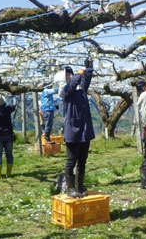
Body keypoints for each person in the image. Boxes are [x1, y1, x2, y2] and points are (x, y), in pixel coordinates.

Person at [60, 58, 95, 198]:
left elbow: (85, 82)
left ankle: (80, 186)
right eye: (68, 74)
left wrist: (89, 69)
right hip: (73, 132)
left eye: (71, 73)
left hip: (84, 131)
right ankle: (70, 188)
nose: (71, 76)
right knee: (71, 160)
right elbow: (74, 83)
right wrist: (80, 72)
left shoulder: (80, 92)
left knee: (82, 160)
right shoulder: (65, 91)